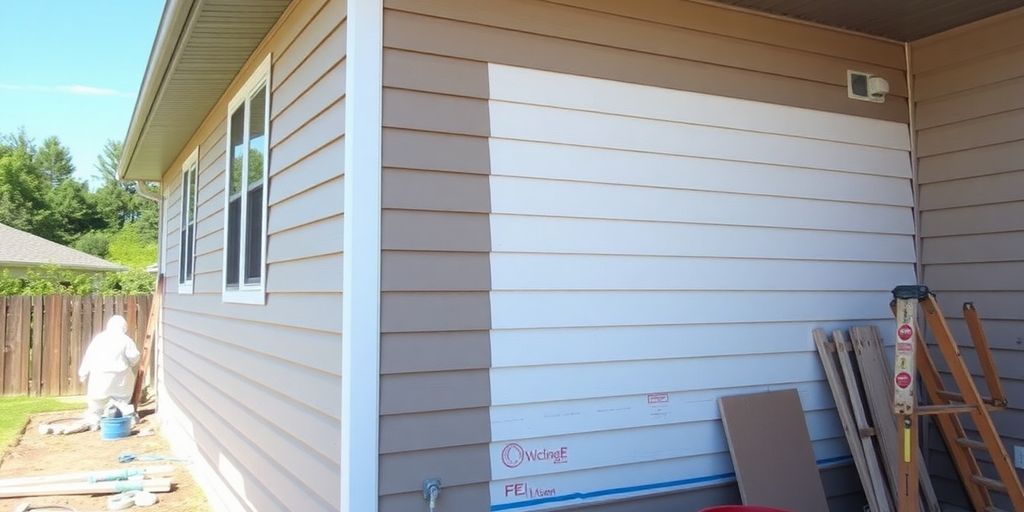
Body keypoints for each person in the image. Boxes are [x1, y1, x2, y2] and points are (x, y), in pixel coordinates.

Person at [78, 315, 141, 425]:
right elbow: (134, 356)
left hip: (100, 376)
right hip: (120, 378)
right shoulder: (126, 340)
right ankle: (126, 418)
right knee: (122, 401)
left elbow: (89, 356)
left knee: (97, 402)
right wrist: (131, 363)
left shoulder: (99, 338)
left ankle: (94, 420)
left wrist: (83, 372)